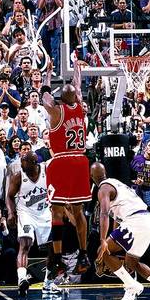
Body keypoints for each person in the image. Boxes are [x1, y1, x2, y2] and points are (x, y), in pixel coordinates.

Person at [91, 162, 150, 300]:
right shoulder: (116, 183)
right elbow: (117, 220)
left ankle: (132, 285)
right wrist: (112, 239)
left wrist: (103, 239)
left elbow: (104, 213)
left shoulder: (103, 189)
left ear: (91, 176)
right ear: (105, 172)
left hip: (135, 220)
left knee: (103, 251)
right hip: (147, 220)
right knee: (132, 262)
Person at [41, 64, 92, 287]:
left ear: (61, 97)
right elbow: (79, 87)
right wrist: (77, 67)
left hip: (62, 160)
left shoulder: (55, 111)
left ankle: (59, 259)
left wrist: (48, 75)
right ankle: (83, 253)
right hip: (81, 161)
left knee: (57, 211)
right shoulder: (80, 107)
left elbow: (43, 95)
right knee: (79, 211)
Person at [5, 147, 52, 294]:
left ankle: (48, 282)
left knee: (53, 248)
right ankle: (22, 279)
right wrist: (11, 213)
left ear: (34, 162)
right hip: (26, 213)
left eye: (25, 162)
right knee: (25, 244)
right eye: (21, 162)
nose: (22, 165)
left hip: (45, 212)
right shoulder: (18, 176)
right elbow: (9, 196)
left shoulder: (46, 170)